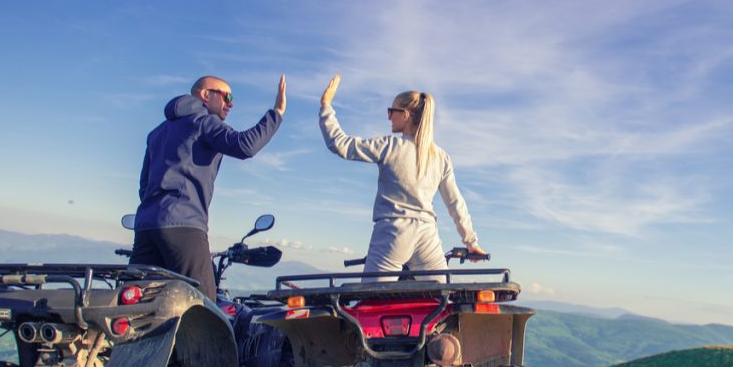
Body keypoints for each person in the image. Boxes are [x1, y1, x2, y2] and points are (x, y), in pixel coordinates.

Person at [130, 74, 286, 299]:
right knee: (203, 307)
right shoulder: (202, 121)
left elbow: (144, 186)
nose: (230, 103)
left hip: (145, 227)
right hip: (184, 226)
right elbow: (245, 145)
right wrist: (277, 113)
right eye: (226, 96)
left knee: (141, 306)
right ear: (205, 95)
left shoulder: (157, 133)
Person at [318, 74, 485, 280]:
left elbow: (340, 144)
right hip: (427, 237)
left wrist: (326, 106)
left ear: (405, 115)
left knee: (371, 302)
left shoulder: (390, 146)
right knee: (439, 300)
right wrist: (471, 242)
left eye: (392, 111)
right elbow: (455, 203)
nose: (389, 116)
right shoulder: (441, 157)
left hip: (393, 234)